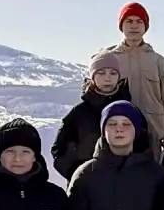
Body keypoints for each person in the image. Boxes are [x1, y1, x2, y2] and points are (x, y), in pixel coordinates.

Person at [99, 2, 164, 159]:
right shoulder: (107, 59)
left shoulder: (160, 62)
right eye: (129, 21)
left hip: (152, 136)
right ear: (121, 25)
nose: (134, 26)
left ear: (145, 26)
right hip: (116, 135)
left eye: (139, 21)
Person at [52, 52, 132, 184]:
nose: (107, 78)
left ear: (119, 77)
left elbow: (143, 148)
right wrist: (78, 175)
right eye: (101, 73)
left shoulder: (130, 110)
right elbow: (59, 150)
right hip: (86, 186)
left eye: (113, 73)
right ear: (92, 77)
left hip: (125, 184)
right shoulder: (79, 113)